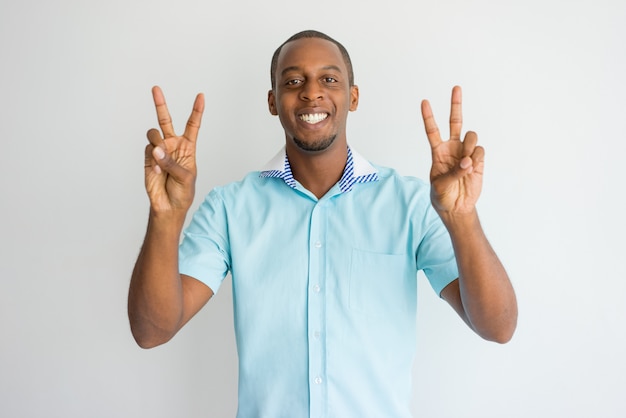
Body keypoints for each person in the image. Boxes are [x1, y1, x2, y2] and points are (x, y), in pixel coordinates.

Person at [128, 30, 517, 418]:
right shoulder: (231, 207)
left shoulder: (411, 203)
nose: (311, 92)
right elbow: (152, 331)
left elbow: (497, 326)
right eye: (293, 81)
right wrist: (167, 215)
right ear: (272, 102)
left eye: (329, 79)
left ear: (353, 96)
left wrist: (462, 218)